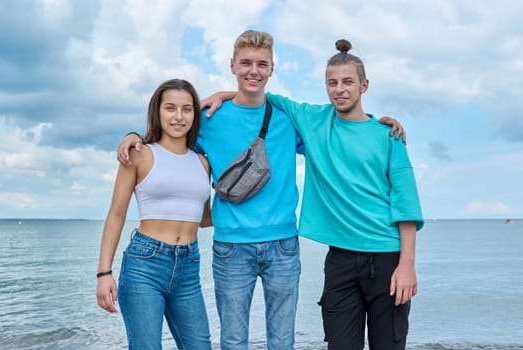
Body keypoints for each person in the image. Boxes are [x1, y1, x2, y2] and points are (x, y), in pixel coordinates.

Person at [117, 31, 405, 350]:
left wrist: (381, 124)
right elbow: (171, 143)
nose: (253, 70)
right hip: (231, 246)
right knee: (233, 341)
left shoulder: (288, 118)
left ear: (272, 69)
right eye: (246, 63)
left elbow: (342, 125)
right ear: (232, 65)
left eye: (261, 64)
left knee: (282, 342)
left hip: (283, 245)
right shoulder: (209, 118)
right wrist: (136, 137)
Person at [203, 39, 423, 350]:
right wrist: (223, 94)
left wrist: (407, 264)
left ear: (364, 86)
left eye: (348, 82)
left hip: (386, 258)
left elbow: (406, 204)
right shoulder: (314, 121)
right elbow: (256, 92)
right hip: (340, 259)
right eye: (332, 83)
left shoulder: (388, 135)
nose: (340, 89)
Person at [96, 79, 212, 350]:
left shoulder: (203, 163)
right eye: (170, 108)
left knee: (200, 345)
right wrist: (104, 273)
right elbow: (116, 215)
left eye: (187, 109)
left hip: (189, 265)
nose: (179, 116)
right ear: (157, 112)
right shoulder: (139, 154)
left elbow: (205, 219)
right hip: (145, 265)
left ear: (195, 114)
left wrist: (250, 205)